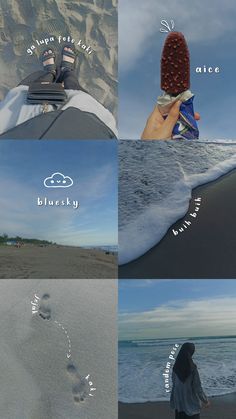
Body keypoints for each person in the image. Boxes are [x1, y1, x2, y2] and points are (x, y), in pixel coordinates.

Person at [170, 342, 210, 419]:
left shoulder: (175, 367)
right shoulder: (192, 368)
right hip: (191, 404)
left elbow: (174, 385)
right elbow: (198, 387)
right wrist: (205, 401)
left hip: (179, 404)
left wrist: (173, 401)